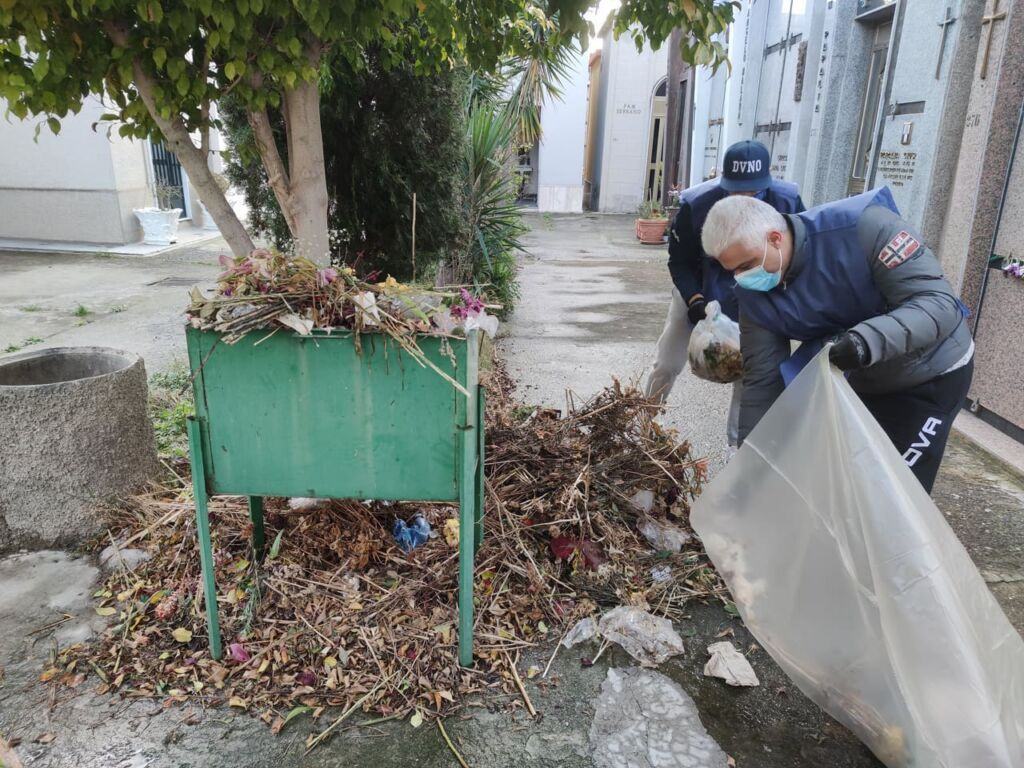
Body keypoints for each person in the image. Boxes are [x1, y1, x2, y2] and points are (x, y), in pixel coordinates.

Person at [700, 186, 974, 493]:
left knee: (897, 492)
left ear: (775, 238)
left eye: (746, 265)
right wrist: (752, 463)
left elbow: (938, 305)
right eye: (732, 270)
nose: (741, 277)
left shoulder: (867, 229)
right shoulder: (755, 293)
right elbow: (763, 380)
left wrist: (865, 341)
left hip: (928, 371)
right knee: (847, 486)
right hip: (860, 376)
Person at [645, 140, 804, 451]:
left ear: (767, 182)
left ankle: (738, 450)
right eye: (736, 191)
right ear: (723, 181)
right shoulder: (697, 204)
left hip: (758, 295)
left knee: (751, 375)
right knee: (666, 361)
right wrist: (694, 300)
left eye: (752, 191)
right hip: (700, 292)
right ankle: (643, 420)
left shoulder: (787, 203)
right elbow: (680, 261)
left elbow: (800, 253)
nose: (744, 197)